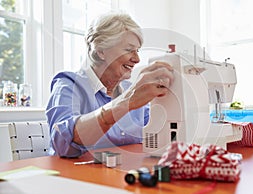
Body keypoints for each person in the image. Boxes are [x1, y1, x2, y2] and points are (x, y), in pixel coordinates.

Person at [45, 12, 174, 158]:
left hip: (122, 175)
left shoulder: (130, 89)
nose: (137, 59)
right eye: (128, 49)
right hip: (75, 177)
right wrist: (126, 102)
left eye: (137, 50)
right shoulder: (68, 85)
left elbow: (155, 133)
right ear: (100, 51)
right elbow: (62, 144)